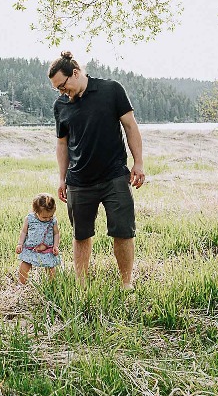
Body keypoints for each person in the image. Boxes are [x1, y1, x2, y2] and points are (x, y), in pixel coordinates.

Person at [48, 51, 145, 288]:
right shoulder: (61, 105)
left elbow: (130, 126)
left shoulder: (112, 90)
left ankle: (126, 284)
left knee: (123, 232)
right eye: (57, 89)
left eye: (63, 85)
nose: (62, 92)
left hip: (114, 176)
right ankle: (81, 285)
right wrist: (62, 179)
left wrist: (139, 162)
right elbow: (62, 144)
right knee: (81, 235)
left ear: (76, 73)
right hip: (79, 181)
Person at [16, 193, 61, 284]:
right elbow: (24, 232)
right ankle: (22, 283)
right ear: (35, 211)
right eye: (45, 217)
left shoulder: (53, 221)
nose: (48, 219)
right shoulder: (30, 218)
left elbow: (56, 233)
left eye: (50, 216)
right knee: (25, 265)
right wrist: (20, 243)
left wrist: (56, 246)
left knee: (50, 267)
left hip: (47, 248)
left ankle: (52, 284)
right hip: (31, 248)